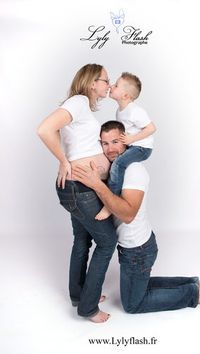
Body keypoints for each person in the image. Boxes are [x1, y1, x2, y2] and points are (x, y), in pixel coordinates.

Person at [72, 121, 200, 314]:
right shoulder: (115, 168)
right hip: (132, 249)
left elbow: (128, 215)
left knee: (133, 304)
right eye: (105, 144)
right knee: (139, 285)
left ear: (126, 141)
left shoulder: (134, 171)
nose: (110, 149)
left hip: (138, 250)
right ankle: (192, 282)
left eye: (115, 141)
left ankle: (192, 293)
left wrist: (97, 185)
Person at [37, 64, 118, 323]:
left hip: (78, 188)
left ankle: (79, 294)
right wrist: (63, 160)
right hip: (81, 190)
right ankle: (88, 308)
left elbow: (68, 137)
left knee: (82, 240)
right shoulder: (79, 101)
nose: (109, 84)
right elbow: (45, 129)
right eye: (106, 80)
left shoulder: (81, 107)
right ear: (92, 82)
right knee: (107, 242)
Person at [95, 72, 156, 220]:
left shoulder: (135, 111)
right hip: (132, 145)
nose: (111, 86)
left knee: (118, 165)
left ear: (126, 96)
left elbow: (151, 128)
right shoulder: (120, 111)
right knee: (109, 164)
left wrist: (131, 139)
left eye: (115, 85)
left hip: (141, 148)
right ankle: (106, 194)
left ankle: (110, 205)